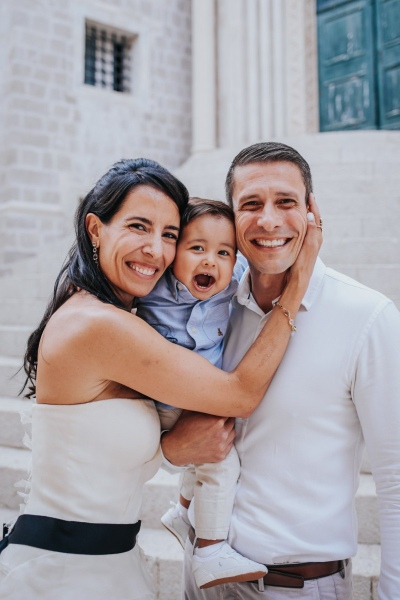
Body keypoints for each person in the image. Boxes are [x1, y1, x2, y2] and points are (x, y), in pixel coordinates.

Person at [0, 157, 321, 600]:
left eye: (170, 234)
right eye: (138, 226)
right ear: (96, 229)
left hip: (105, 560)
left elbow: (95, 455)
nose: (157, 250)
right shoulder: (100, 325)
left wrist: (170, 449)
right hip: (63, 572)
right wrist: (298, 283)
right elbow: (240, 394)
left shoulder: (108, 311)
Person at [160, 142, 400, 600]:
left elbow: (395, 477)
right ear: (230, 218)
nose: (268, 220)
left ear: (311, 211)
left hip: (295, 586)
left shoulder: (367, 316)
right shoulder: (210, 309)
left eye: (285, 202)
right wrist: (173, 447)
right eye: (251, 204)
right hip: (201, 575)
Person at [135, 197, 261, 589]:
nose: (211, 261)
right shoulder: (153, 288)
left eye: (223, 252)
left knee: (202, 461)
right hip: (169, 400)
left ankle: (182, 510)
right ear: (173, 255)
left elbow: (255, 258)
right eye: (197, 248)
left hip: (205, 393)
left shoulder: (231, 281)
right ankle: (209, 549)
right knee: (221, 464)